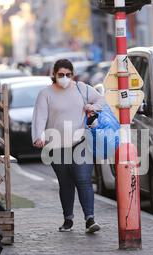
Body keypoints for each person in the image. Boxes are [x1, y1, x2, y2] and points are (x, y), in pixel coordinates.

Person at [32, 59, 105, 233]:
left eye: (68, 74)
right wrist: (38, 136)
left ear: (73, 74)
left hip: (80, 142)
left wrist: (92, 106)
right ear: (54, 75)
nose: (64, 78)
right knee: (65, 183)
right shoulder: (46, 94)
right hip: (56, 146)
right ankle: (68, 220)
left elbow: (103, 100)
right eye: (61, 75)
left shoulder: (82, 88)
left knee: (83, 180)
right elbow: (40, 117)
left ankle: (90, 219)